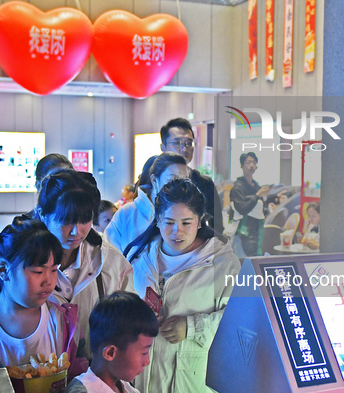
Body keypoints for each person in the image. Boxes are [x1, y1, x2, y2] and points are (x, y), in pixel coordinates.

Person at [125, 178, 240, 393]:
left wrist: (191, 327)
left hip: (191, 381)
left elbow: (238, 323)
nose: (177, 231)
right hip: (140, 379)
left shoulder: (222, 263)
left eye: (186, 223)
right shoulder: (139, 258)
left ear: (200, 221)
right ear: (157, 220)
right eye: (169, 222)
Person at [35, 169, 134, 359]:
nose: (76, 232)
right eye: (66, 221)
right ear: (43, 215)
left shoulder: (110, 263)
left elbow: (129, 324)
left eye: (85, 220)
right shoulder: (21, 264)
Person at [0, 218, 86, 375]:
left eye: (54, 270)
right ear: (3, 271)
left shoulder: (63, 322)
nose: (48, 281)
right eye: (38, 271)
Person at [65, 291, 158, 393]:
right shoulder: (83, 390)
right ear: (110, 353)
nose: (147, 361)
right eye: (143, 353)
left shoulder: (124, 386)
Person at [105, 152, 189, 259]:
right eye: (172, 179)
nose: (179, 186)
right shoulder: (127, 213)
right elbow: (109, 258)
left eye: (185, 180)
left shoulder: (188, 214)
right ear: (154, 180)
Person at [160, 117, 224, 234]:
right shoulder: (156, 181)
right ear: (163, 148)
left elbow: (217, 226)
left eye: (189, 143)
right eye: (177, 143)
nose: (184, 148)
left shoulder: (204, 183)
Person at [230, 152, 271, 257]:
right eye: (248, 162)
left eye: (254, 162)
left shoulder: (255, 185)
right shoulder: (238, 187)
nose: (251, 165)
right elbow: (242, 209)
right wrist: (257, 195)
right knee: (245, 261)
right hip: (244, 231)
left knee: (256, 259)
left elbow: (260, 207)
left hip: (257, 230)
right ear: (242, 165)